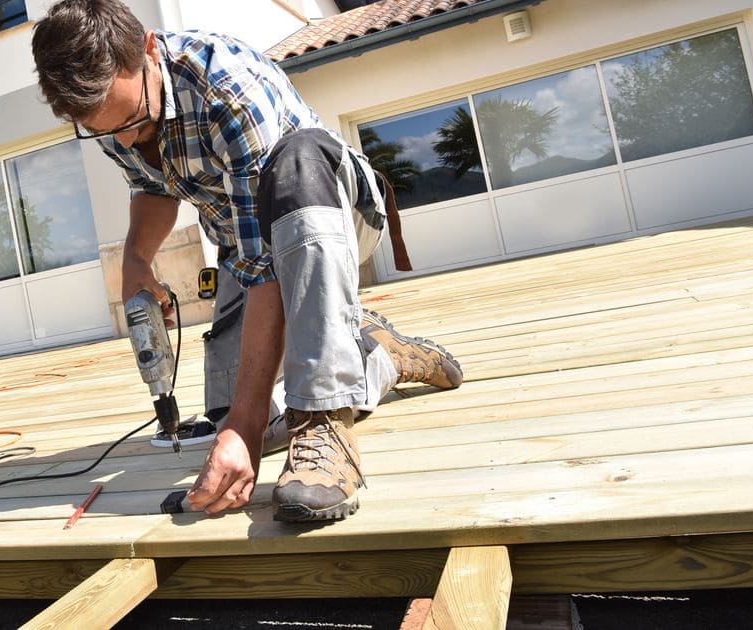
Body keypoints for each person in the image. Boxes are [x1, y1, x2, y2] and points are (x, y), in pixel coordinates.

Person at [32, 0, 463, 522]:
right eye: (103, 130)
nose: (122, 138)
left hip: (332, 211)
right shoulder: (112, 109)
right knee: (235, 418)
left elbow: (270, 264)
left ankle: (326, 423)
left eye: (132, 119)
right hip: (247, 247)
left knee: (297, 158)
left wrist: (246, 423)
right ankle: (382, 356)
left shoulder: (226, 85)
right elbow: (152, 188)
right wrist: (136, 259)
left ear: (148, 49)